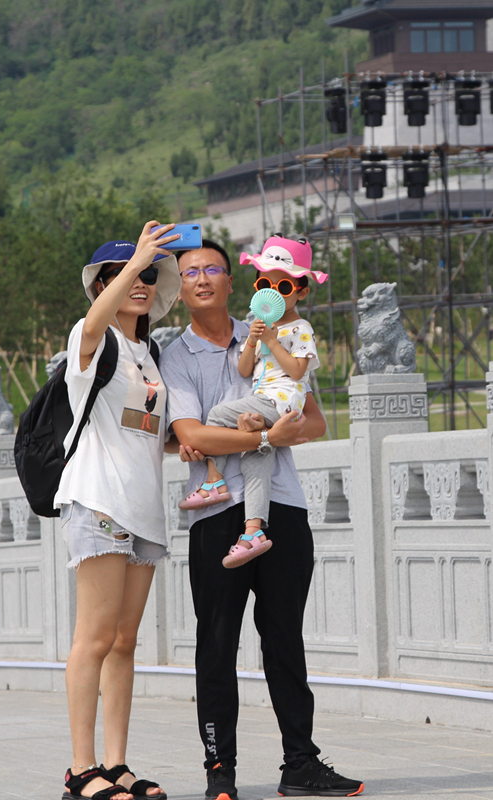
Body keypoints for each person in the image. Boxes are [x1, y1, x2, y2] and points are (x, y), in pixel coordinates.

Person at [159, 238, 364, 798]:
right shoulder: (176, 358)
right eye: (190, 272)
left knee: (285, 640)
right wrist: (267, 436)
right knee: (217, 643)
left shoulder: (280, 328)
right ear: (180, 289)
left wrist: (262, 432)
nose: (202, 278)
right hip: (215, 511)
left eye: (213, 269)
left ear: (234, 282)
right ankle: (220, 772)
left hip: (283, 505)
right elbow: (191, 434)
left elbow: (314, 422)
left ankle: (301, 764)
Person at [54, 221, 181, 800]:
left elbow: (147, 430)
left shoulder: (149, 354)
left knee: (125, 641)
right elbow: (92, 322)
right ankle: (81, 771)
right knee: (95, 637)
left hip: (144, 509)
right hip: (99, 499)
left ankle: (115, 764)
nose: (139, 283)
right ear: (101, 284)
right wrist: (134, 261)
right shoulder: (93, 339)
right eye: (123, 275)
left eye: (149, 275)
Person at [178, 236, 326, 569]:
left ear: (301, 292)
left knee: (218, 414)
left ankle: (213, 480)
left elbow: (297, 373)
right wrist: (253, 341)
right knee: (256, 457)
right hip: (263, 402)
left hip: (280, 402)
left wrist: (272, 341)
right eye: (264, 285)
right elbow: (245, 369)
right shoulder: (257, 330)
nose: (273, 292)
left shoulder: (300, 329)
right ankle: (253, 531)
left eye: (283, 287)